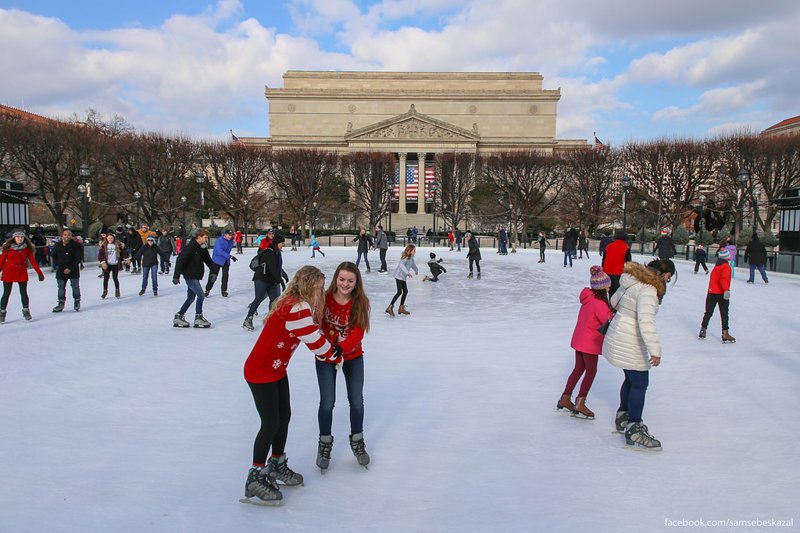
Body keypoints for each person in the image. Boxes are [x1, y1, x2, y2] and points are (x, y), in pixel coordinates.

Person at [241, 265, 342, 505]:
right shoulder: (296, 308)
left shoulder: (296, 304)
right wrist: (335, 355)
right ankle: (254, 476)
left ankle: (276, 463)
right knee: (270, 423)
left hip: (275, 369)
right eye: (318, 287)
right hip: (260, 370)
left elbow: (314, 335)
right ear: (309, 286)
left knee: (284, 416)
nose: (321, 292)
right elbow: (315, 342)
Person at [602, 258, 675, 451]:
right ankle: (634, 427)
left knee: (630, 378)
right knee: (640, 382)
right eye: (668, 277)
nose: (667, 282)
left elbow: (613, 301)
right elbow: (646, 321)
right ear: (664, 275)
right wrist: (655, 350)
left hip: (618, 333)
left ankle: (623, 416)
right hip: (631, 339)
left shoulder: (632, 280)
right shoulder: (649, 290)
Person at [316, 262, 371, 472]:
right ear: (335, 279)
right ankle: (324, 443)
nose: (345, 284)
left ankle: (357, 439)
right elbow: (316, 325)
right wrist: (325, 347)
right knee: (327, 402)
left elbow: (358, 331)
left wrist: (341, 347)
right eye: (341, 279)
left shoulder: (360, 302)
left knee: (356, 400)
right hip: (325, 356)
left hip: (353, 356)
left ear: (356, 282)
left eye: (350, 280)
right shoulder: (325, 298)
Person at [557, 266, 614, 419]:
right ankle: (580, 401)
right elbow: (607, 320)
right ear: (602, 287)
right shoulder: (599, 304)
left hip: (579, 340)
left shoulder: (588, 299)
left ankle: (565, 397)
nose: (610, 287)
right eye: (608, 285)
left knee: (578, 368)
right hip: (590, 343)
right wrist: (614, 314)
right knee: (591, 371)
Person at [243, 234, 288, 331]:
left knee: (274, 300)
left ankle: (271, 320)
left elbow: (278, 267)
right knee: (258, 298)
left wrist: (283, 276)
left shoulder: (277, 253)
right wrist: (281, 282)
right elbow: (272, 269)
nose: (283, 245)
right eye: (281, 243)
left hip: (271, 280)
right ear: (276, 243)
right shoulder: (269, 253)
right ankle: (248, 318)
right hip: (261, 279)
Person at [172, 229, 215, 328]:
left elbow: (209, 261)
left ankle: (179, 316)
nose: (206, 240)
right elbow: (180, 260)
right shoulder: (190, 247)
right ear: (198, 237)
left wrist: (214, 272)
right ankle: (198, 317)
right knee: (201, 295)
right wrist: (176, 276)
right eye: (205, 238)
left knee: (191, 298)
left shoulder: (202, 248)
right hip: (189, 275)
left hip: (196, 275)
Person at [0, 229, 45, 323]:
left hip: (21, 271)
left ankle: (26, 310)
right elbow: (2, 260)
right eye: (17, 237)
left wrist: (39, 272)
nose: (20, 239)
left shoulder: (27, 248)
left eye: (21, 237)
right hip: (9, 271)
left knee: (23, 292)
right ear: (14, 238)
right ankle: (2, 312)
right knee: (6, 292)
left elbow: (33, 261)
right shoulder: (7, 247)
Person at [699, 248, 735, 342]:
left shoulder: (717, 266)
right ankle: (725, 333)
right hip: (721, 293)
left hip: (711, 292)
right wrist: (726, 290)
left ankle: (703, 330)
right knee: (724, 313)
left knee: (708, 312)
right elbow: (723, 279)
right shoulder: (726, 267)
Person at [52, 229, 83, 312]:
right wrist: (58, 265)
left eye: (68, 235)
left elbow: (78, 258)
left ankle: (77, 301)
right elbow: (54, 256)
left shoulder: (76, 245)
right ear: (62, 235)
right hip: (61, 270)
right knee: (61, 287)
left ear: (71, 236)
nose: (66, 236)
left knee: (75, 286)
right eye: (65, 235)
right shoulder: (58, 245)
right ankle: (61, 303)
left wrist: (70, 268)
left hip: (73, 270)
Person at [385, 244, 418, 317]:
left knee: (405, 291)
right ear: (410, 250)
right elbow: (401, 265)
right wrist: (407, 272)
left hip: (403, 277)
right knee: (399, 292)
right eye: (414, 250)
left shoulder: (411, 257)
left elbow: (413, 264)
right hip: (399, 275)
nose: (415, 251)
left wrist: (416, 270)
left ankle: (401, 308)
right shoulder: (405, 257)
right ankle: (389, 307)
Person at [205, 229, 237, 297]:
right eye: (229, 235)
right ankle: (207, 290)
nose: (230, 236)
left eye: (231, 235)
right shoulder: (219, 240)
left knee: (225, 276)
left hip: (225, 260)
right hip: (217, 259)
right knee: (213, 276)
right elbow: (220, 251)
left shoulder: (231, 241)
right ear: (225, 234)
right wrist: (230, 256)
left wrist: (228, 257)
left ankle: (224, 290)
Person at [602, 230, 632, 296]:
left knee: (610, 292)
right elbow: (628, 262)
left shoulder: (608, 246)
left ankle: (610, 304)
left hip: (607, 271)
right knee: (618, 292)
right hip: (619, 272)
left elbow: (604, 260)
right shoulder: (626, 248)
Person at [98, 232, 123, 299]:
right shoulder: (104, 246)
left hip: (115, 264)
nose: (110, 239)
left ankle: (117, 291)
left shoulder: (117, 245)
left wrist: (125, 259)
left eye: (111, 238)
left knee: (115, 278)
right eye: (109, 238)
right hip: (107, 264)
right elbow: (100, 255)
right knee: (106, 278)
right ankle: (105, 291)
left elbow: (123, 253)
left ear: (113, 238)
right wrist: (102, 262)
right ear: (106, 238)